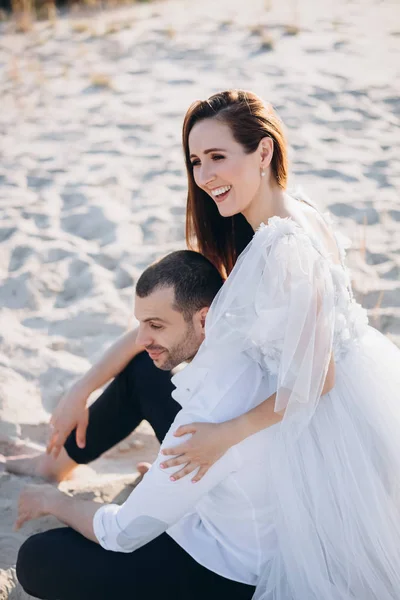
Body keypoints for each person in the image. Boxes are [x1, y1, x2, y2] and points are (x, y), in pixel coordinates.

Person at [16, 88, 400, 600]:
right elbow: (172, 325)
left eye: (218, 157)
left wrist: (224, 438)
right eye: (197, 160)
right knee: (145, 367)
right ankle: (57, 462)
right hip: (271, 405)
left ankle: (76, 476)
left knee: (49, 560)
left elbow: (319, 377)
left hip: (293, 424)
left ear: (263, 152)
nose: (205, 175)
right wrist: (82, 386)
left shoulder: (285, 249)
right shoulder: (279, 218)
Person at [3, 249, 223, 483]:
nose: (141, 339)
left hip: (228, 473)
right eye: (143, 324)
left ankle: (171, 476)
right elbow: (138, 341)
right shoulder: (219, 315)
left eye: (156, 326)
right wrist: (80, 391)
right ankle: (53, 464)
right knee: (144, 369)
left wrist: (54, 504)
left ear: (203, 319)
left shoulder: (246, 350)